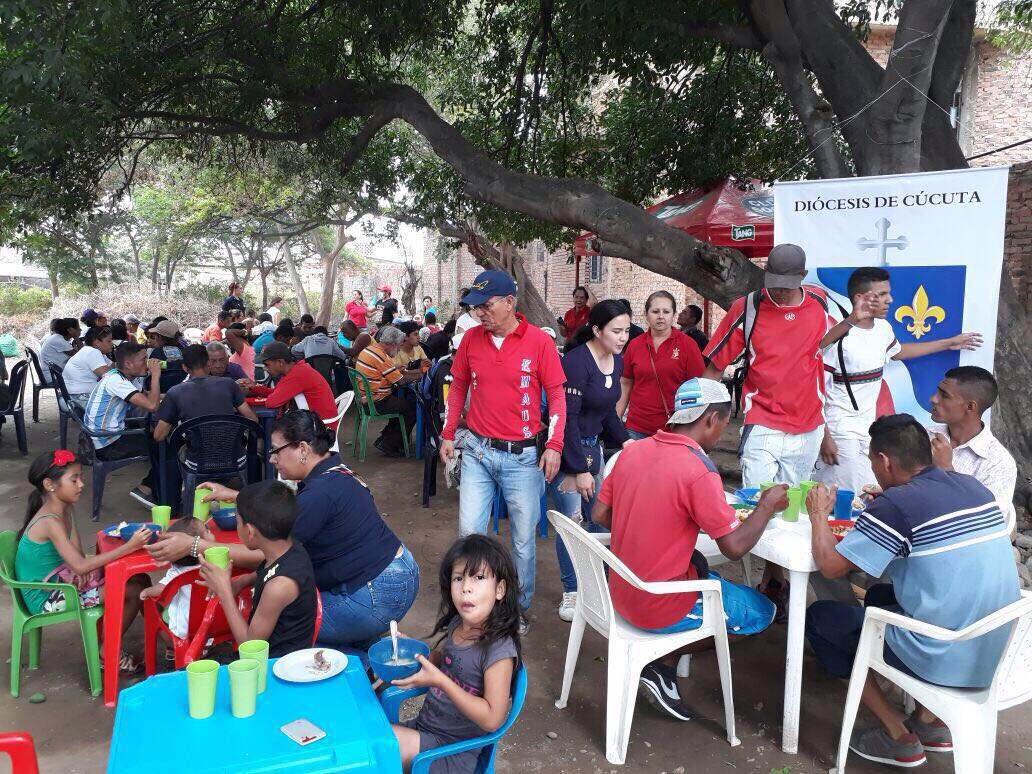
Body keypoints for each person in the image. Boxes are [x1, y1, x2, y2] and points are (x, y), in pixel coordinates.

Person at [805, 414, 1018, 767]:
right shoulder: (971, 487)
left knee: (822, 620)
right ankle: (928, 721)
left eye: (872, 461)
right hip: (998, 650)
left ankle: (898, 736)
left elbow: (830, 565)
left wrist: (817, 515)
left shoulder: (897, 504)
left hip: (946, 656)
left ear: (884, 461)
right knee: (878, 597)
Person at [593, 378, 784, 720]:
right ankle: (658, 660)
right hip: (656, 604)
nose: (721, 434)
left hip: (618, 589)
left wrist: (646, 528)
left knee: (702, 569)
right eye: (723, 424)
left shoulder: (632, 451)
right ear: (711, 419)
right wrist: (767, 506)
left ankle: (663, 666)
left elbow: (599, 514)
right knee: (763, 612)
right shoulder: (699, 470)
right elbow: (734, 547)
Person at [150, 410, 419, 653]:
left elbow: (264, 553)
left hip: (376, 592)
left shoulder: (319, 494)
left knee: (281, 630)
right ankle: (369, 645)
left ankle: (367, 664)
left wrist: (193, 545)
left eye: (277, 451)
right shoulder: (332, 471)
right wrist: (236, 495)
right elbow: (283, 506)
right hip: (394, 571)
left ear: (302, 448)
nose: (272, 458)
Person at [702, 243, 832, 613]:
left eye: (788, 285)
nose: (780, 292)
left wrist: (827, 430)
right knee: (760, 504)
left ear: (803, 277)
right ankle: (765, 583)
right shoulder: (748, 308)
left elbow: (831, 355)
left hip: (808, 425)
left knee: (791, 512)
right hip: (763, 422)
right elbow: (714, 366)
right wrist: (699, 422)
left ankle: (777, 580)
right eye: (774, 283)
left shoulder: (821, 302)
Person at [439, 270, 567, 633]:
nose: (480, 313)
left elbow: (557, 396)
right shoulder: (470, 340)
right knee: (469, 534)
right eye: (475, 307)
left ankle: (517, 609)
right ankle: (470, 606)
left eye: (486, 305)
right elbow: (458, 386)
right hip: (478, 451)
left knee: (523, 540)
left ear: (510, 302)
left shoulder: (539, 342)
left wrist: (554, 445)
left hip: (523, 458)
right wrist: (448, 434)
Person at [816, 266, 983, 495]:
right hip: (840, 433)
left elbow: (898, 352)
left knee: (866, 493)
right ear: (860, 298)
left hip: (868, 431)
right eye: (882, 294)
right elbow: (815, 391)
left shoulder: (883, 329)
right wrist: (825, 437)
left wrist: (948, 343)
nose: (890, 300)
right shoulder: (837, 339)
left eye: (888, 293)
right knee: (841, 496)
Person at [390, 535, 520, 773]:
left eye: (478, 578)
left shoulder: (498, 651)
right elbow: (447, 661)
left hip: (452, 752)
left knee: (379, 748)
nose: (466, 588)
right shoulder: (458, 625)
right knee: (366, 734)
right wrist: (416, 654)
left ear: (500, 590)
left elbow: (493, 719)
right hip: (425, 730)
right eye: (458, 578)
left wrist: (441, 682)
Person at [16, 450, 152, 672]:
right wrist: (130, 546)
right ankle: (107, 653)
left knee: (140, 578)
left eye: (80, 477)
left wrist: (82, 569)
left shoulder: (64, 508)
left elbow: (78, 557)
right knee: (134, 589)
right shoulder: (49, 521)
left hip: (60, 581)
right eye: (74, 480)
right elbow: (80, 565)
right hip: (46, 597)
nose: (81, 484)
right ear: (50, 485)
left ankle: (164, 636)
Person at [552, 300, 633, 622]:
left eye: (626, 330)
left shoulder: (617, 360)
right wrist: (579, 469)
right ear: (597, 330)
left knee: (600, 519)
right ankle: (571, 590)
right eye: (616, 331)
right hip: (568, 451)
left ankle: (601, 586)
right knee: (571, 524)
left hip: (594, 449)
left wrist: (628, 442)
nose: (623, 337)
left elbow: (607, 412)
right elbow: (568, 419)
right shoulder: (576, 363)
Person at [199, 480, 317, 658]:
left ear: (250, 531)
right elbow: (271, 569)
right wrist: (243, 580)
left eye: (238, 522)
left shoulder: (279, 587)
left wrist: (224, 592)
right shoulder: (290, 547)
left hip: (273, 665)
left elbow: (250, 648)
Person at [928, 366, 1017, 518]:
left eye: (944, 396)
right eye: (937, 392)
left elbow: (988, 521)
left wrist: (946, 471)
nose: (933, 399)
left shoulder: (998, 463)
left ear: (970, 407)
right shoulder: (924, 435)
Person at [617, 290, 704, 439]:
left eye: (666, 311)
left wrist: (692, 427)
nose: (661, 316)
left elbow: (698, 387)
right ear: (646, 315)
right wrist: (616, 418)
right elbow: (625, 383)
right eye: (655, 311)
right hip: (637, 427)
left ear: (673, 315)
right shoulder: (635, 345)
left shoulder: (687, 345)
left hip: (674, 428)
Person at [139, 518, 213, 641]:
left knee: (164, 611)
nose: (210, 532)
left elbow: (162, 589)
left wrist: (147, 591)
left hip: (187, 627)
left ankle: (172, 645)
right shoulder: (214, 564)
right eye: (207, 530)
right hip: (214, 622)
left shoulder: (177, 573)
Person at [354, 326, 422, 457]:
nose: (399, 349)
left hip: (366, 398)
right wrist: (420, 375)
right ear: (392, 344)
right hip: (375, 402)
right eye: (399, 346)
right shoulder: (381, 357)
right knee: (413, 407)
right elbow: (400, 381)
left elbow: (384, 371)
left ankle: (386, 439)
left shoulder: (370, 350)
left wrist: (394, 369)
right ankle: (390, 443)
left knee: (401, 403)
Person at [247, 342, 338, 424]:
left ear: (280, 362)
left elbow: (271, 402)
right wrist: (254, 388)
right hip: (316, 422)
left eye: (267, 364)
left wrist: (243, 400)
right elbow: (276, 392)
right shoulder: (295, 370)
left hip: (321, 428)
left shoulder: (297, 375)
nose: (265, 368)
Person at [61, 325, 114, 407]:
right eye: (109, 341)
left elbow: (112, 368)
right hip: (78, 399)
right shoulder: (92, 352)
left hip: (72, 396)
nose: (112, 344)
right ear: (97, 343)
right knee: (122, 403)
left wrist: (117, 360)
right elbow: (109, 377)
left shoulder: (92, 351)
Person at [146, 319, 186, 393]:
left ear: (159, 337)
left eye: (154, 335)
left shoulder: (157, 352)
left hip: (161, 392)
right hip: (183, 391)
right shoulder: (185, 350)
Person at [39, 318, 80, 383]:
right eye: (77, 328)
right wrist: (76, 338)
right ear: (70, 330)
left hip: (53, 374)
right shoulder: (58, 339)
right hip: (53, 377)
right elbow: (80, 356)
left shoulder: (57, 338)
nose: (80, 330)